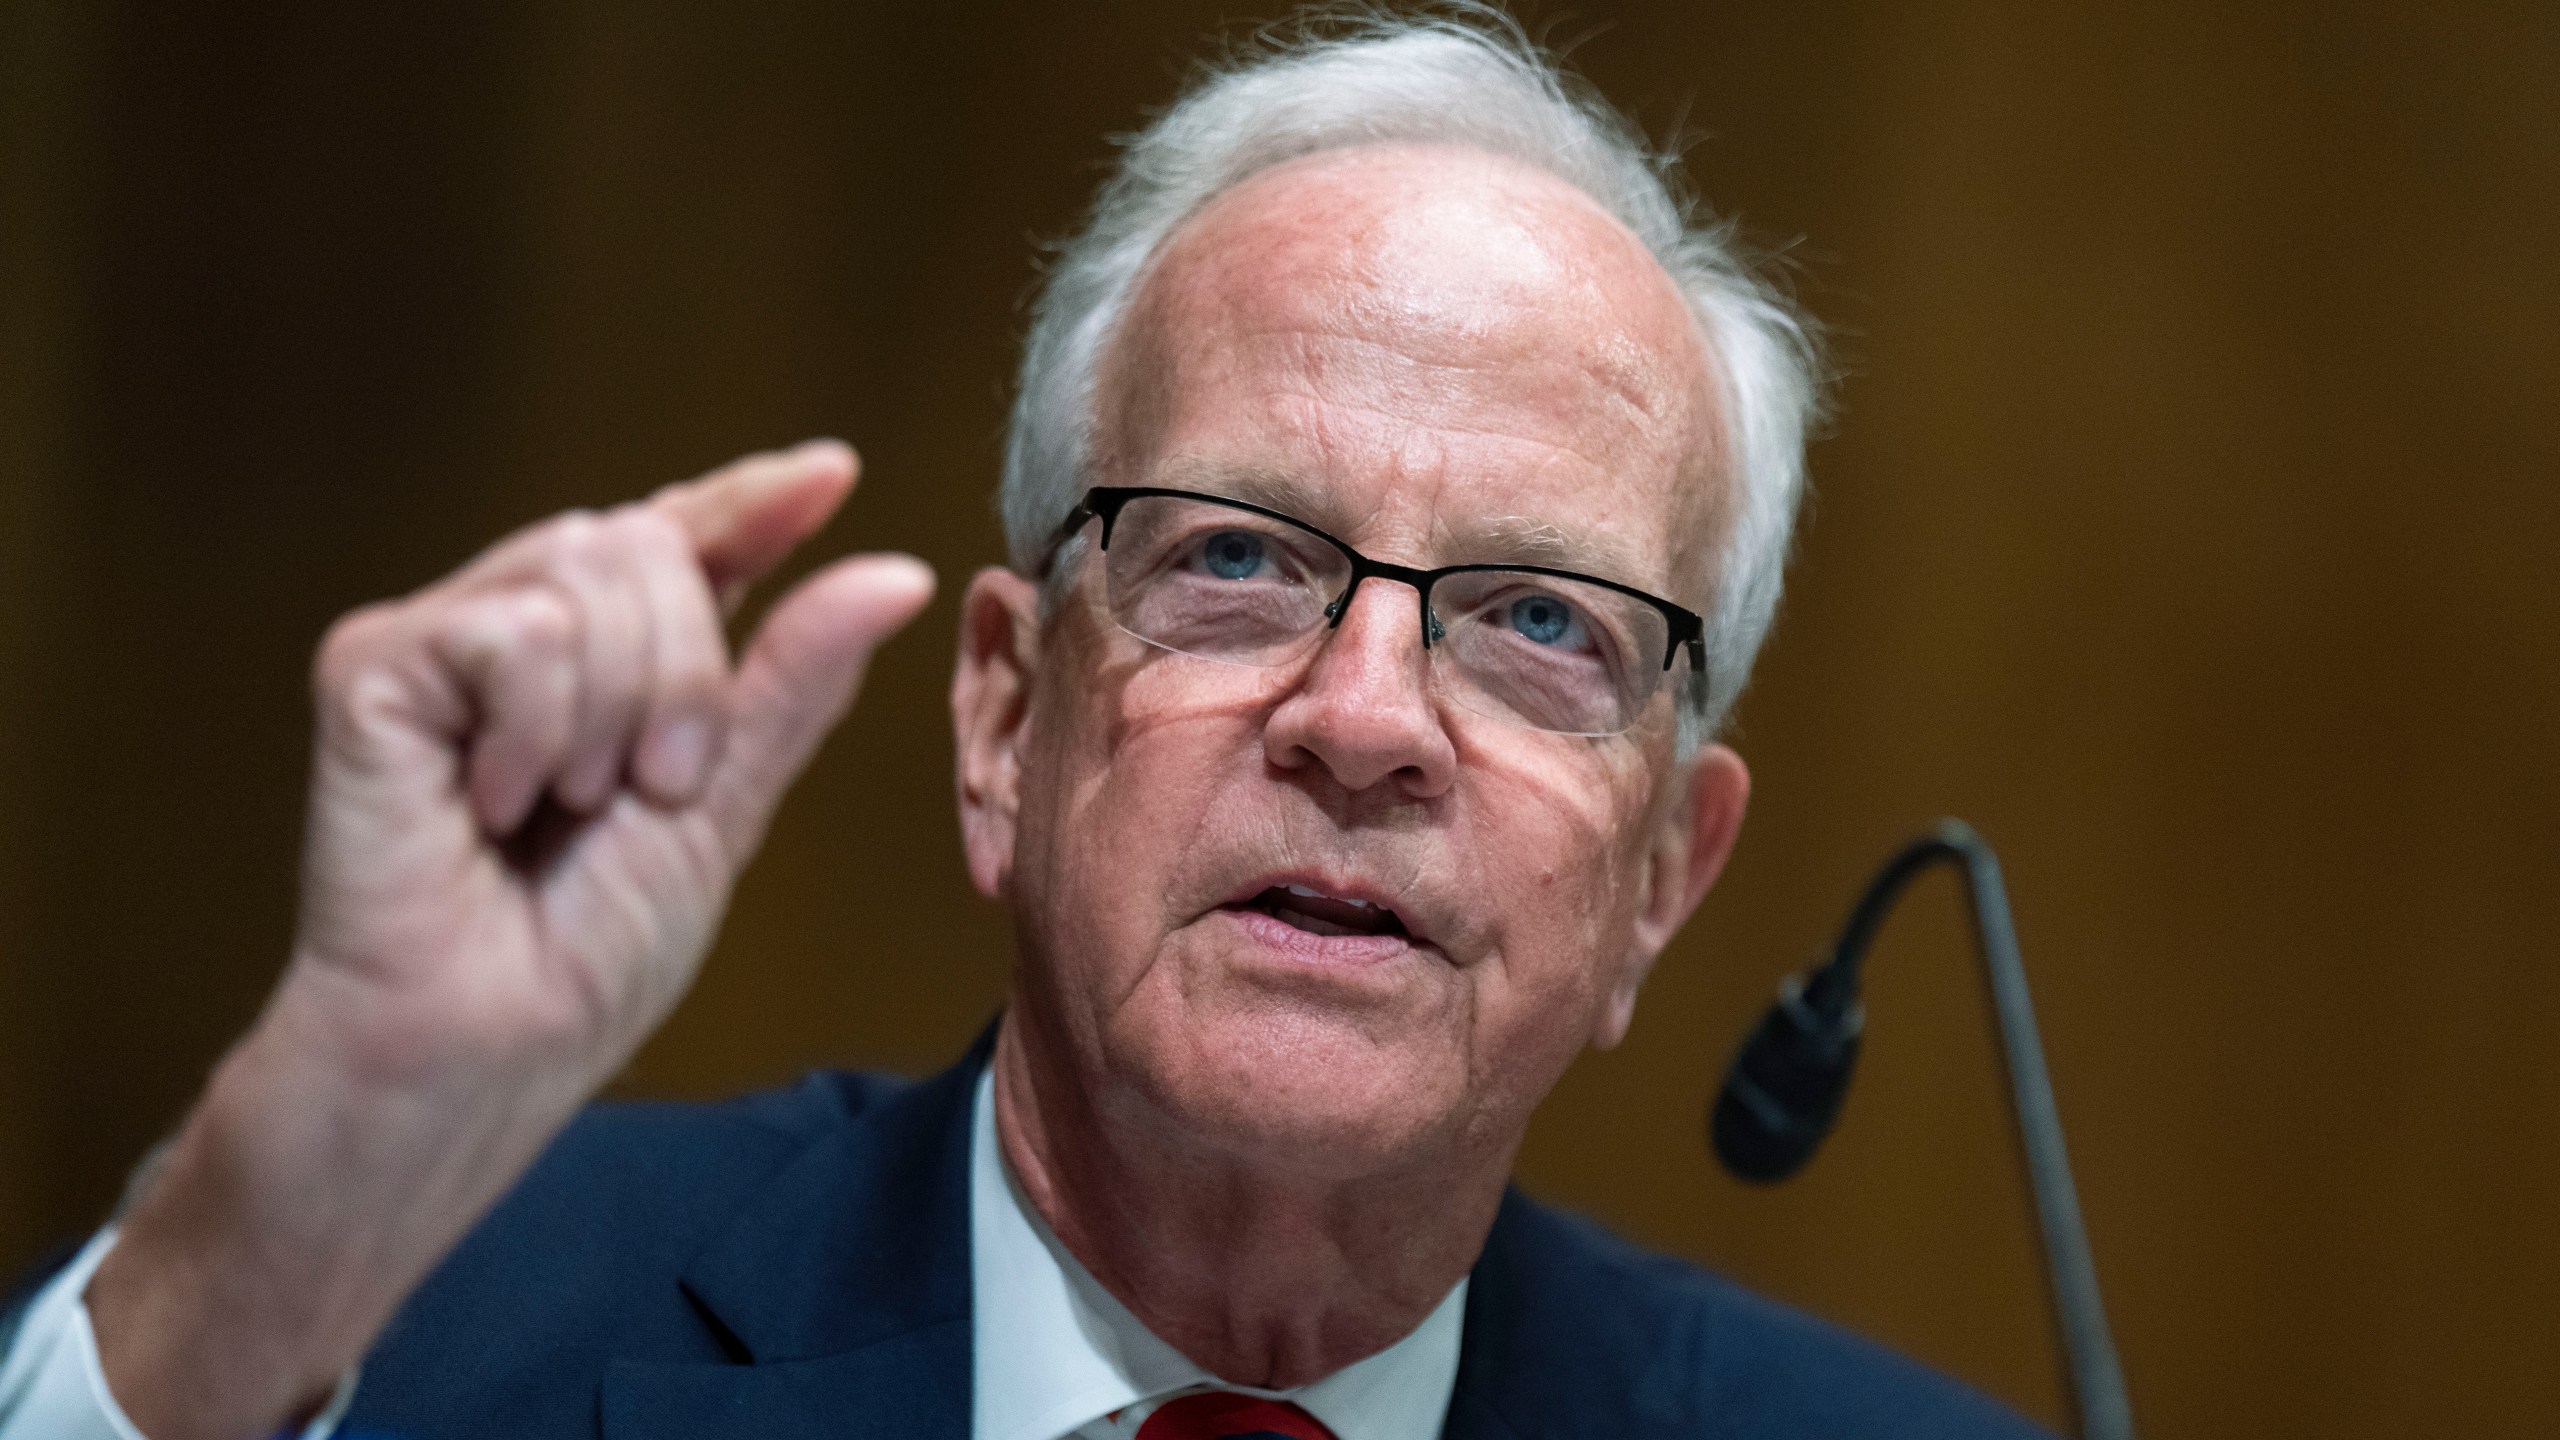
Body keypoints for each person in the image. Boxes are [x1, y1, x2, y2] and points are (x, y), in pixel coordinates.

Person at [0, 10, 2050, 1439]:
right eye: (1239, 559)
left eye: (1533, 622)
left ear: (1659, 880)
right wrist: (324, 1159)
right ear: (1000, 718)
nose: (1364, 721)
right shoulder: (400, 1326)